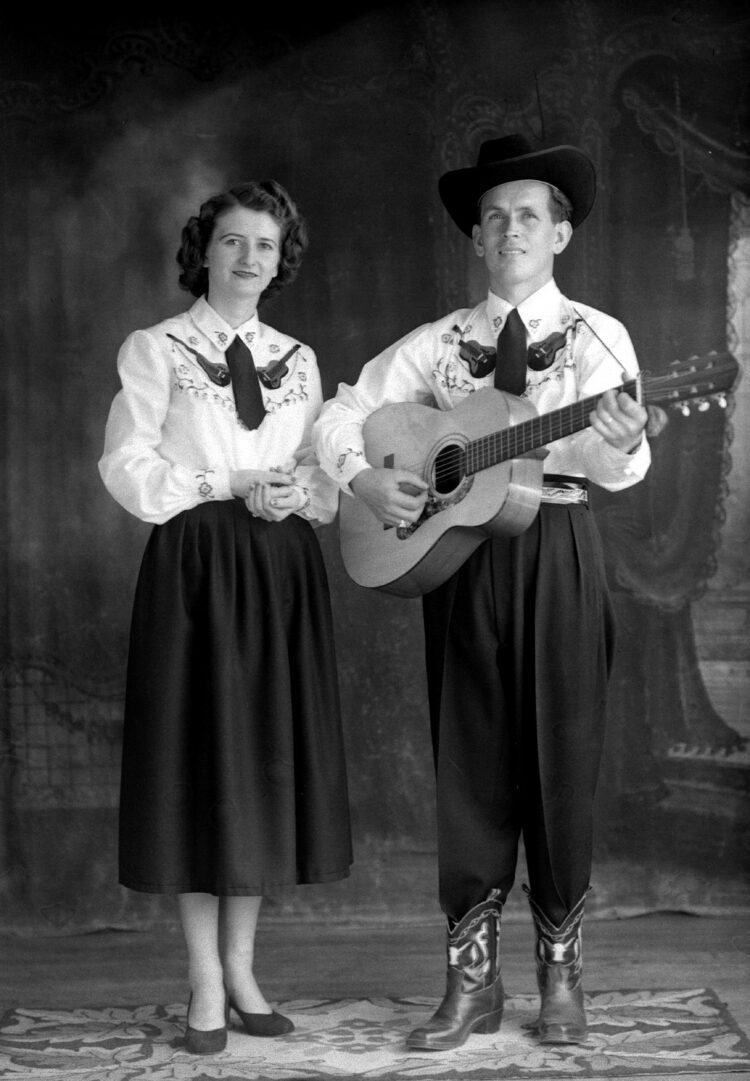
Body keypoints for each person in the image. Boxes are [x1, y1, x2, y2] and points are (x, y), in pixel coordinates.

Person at [312, 134, 650, 1051]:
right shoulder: (438, 345)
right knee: (468, 760)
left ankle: (561, 976)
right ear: (476, 236)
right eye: (493, 216)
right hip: (459, 561)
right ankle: (472, 982)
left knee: (561, 756)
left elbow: (627, 464)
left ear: (561, 233)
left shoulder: (597, 337)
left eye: (528, 215)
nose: (510, 230)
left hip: (560, 548)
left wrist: (614, 436)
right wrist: (365, 479)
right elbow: (342, 413)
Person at [99, 180, 352, 1055]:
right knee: (200, 766)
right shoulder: (157, 349)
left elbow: (323, 478)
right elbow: (126, 466)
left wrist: (296, 491)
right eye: (234, 242)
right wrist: (225, 482)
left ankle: (244, 969)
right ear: (204, 250)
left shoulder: (301, 359)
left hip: (279, 569)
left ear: (283, 262)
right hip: (197, 570)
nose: (250, 258)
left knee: (260, 771)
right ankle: (204, 976)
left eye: (267, 247)